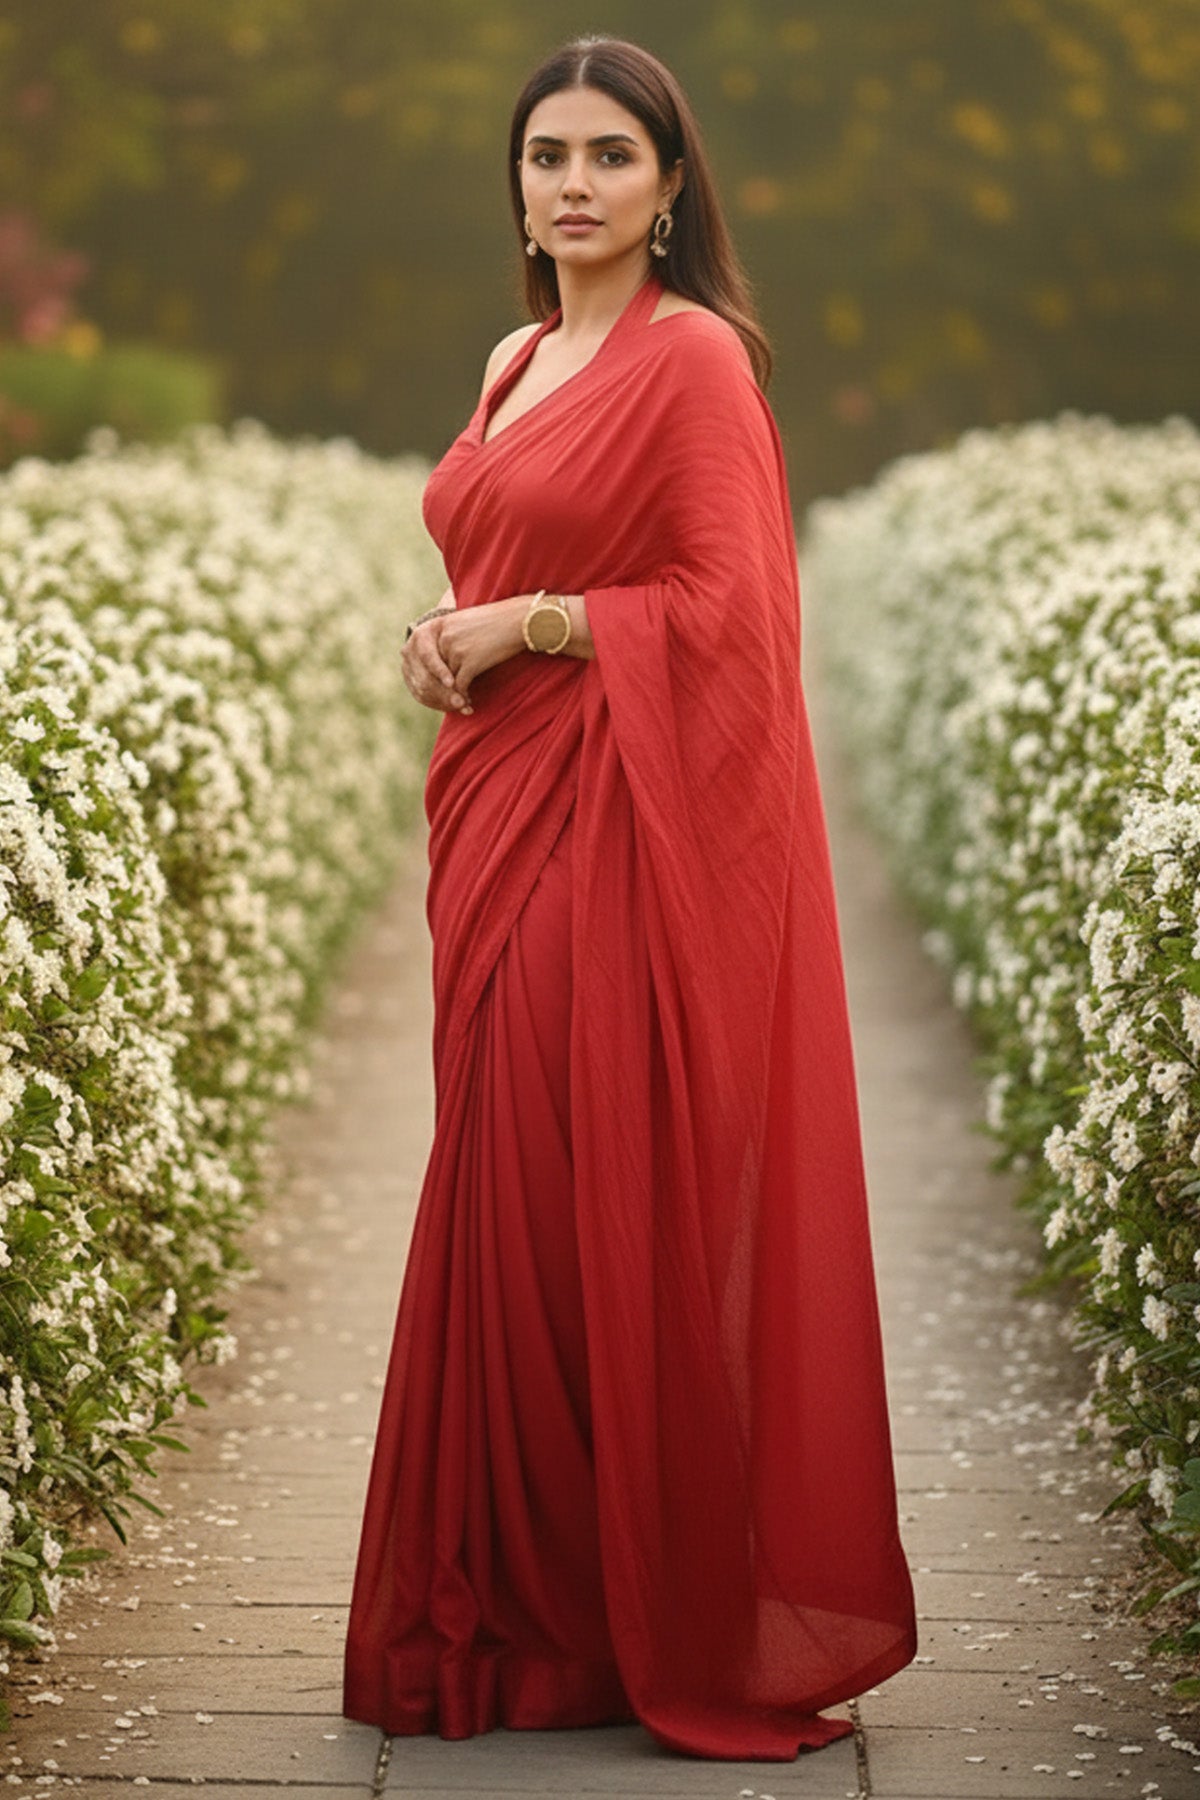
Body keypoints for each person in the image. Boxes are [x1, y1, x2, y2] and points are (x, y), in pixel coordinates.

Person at [342, 32, 918, 1763]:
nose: (575, 184)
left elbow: (732, 610)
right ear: (516, 187)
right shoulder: (516, 356)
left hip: (609, 832)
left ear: (670, 186)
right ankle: (525, 1610)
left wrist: (523, 625)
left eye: (610, 155)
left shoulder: (696, 364)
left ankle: (615, 1616)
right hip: (493, 809)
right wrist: (451, 638)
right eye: (548, 156)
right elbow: (502, 552)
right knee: (500, 1197)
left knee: (556, 1179)